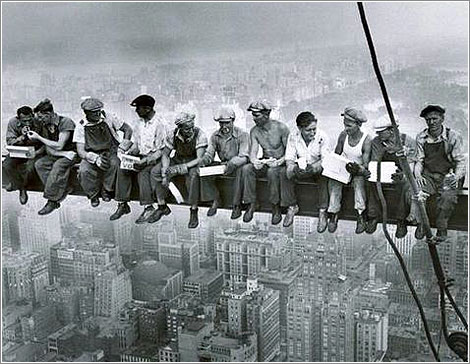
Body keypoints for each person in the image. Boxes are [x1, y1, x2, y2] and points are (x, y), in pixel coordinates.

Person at [110, 94, 171, 224]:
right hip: (141, 156)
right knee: (123, 169)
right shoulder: (138, 124)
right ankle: (122, 204)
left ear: (147, 109)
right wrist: (129, 155)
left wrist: (146, 160)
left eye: (139, 108)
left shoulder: (161, 124)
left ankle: (148, 207)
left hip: (155, 158)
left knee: (143, 173)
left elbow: (162, 150)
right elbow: (137, 145)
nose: (137, 111)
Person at [151, 112, 215, 229]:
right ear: (179, 128)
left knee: (193, 176)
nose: (190, 130)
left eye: (191, 127)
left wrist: (182, 168)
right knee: (156, 171)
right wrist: (165, 171)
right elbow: (166, 154)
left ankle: (194, 209)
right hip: (178, 158)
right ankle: (162, 205)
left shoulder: (200, 135)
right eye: (186, 129)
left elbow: (199, 158)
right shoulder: (172, 134)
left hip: (192, 162)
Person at [413, 104, 466, 239]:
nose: (431, 122)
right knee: (417, 193)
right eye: (428, 119)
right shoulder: (421, 137)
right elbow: (419, 160)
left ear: (442, 119)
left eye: (435, 119)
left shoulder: (453, 136)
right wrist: (418, 175)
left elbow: (460, 161)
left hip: (449, 175)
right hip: (429, 175)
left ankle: (442, 228)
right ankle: (422, 224)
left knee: (447, 197)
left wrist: (456, 177)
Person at [74, 98, 133, 207]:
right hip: (91, 153)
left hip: (110, 150)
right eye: (94, 112)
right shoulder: (81, 125)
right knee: (84, 170)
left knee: (115, 164)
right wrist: (95, 159)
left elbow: (128, 129)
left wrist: (123, 146)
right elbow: (80, 151)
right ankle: (93, 195)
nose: (98, 114)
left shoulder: (109, 117)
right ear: (86, 113)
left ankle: (107, 190)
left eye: (99, 111)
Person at [366, 116, 416, 237]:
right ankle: (373, 215)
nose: (378, 134)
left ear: (392, 130)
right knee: (370, 181)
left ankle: (401, 220)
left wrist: (403, 173)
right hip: (383, 172)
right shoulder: (377, 142)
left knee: (405, 184)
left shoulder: (407, 141)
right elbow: (375, 161)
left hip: (402, 173)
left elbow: (412, 163)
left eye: (381, 131)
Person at [241, 100, 290, 224]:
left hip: (280, 163)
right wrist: (255, 161)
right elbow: (253, 152)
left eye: (256, 115)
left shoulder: (281, 128)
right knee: (247, 169)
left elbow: (290, 152)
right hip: (266, 162)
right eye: (253, 115)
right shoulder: (255, 131)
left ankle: (275, 206)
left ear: (266, 115)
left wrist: (279, 162)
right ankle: (251, 203)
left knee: (272, 172)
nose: (253, 118)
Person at [28, 99, 78, 215]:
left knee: (58, 166)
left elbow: (60, 145)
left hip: (73, 154)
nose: (40, 120)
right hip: (59, 154)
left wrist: (39, 138)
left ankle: (52, 200)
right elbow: (48, 147)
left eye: (41, 117)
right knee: (40, 164)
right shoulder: (45, 125)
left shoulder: (65, 122)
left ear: (49, 114)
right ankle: (62, 189)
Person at [199, 106, 250, 218]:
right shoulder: (215, 136)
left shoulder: (242, 135)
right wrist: (204, 160)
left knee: (241, 171)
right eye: (221, 123)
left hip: (237, 165)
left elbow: (244, 156)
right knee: (204, 171)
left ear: (232, 121)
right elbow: (209, 153)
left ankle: (236, 205)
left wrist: (232, 163)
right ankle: (215, 198)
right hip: (223, 165)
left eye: (227, 123)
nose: (224, 126)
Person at [327, 107, 371, 233]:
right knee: (334, 182)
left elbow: (367, 165)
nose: (346, 128)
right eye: (345, 125)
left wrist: (358, 169)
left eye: (349, 126)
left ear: (358, 125)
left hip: (358, 170)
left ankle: (360, 214)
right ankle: (333, 213)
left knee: (358, 184)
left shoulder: (366, 140)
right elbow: (337, 153)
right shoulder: (343, 135)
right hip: (344, 168)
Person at [283, 111, 330, 229]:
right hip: (301, 167)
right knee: (285, 173)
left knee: (324, 176)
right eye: (309, 130)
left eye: (314, 129)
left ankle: (322, 211)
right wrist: (293, 168)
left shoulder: (323, 136)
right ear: (300, 128)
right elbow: (289, 157)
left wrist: (314, 168)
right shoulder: (293, 136)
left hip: (317, 168)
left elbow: (326, 159)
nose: (313, 133)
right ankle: (292, 206)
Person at [3, 106, 44, 205]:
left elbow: (45, 141)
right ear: (18, 118)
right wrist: (21, 138)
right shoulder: (13, 122)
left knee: (30, 168)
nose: (27, 123)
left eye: (29, 119)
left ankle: (21, 188)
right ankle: (19, 185)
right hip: (19, 150)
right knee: (6, 165)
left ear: (32, 116)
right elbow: (10, 141)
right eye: (24, 121)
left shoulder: (39, 122)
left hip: (35, 150)